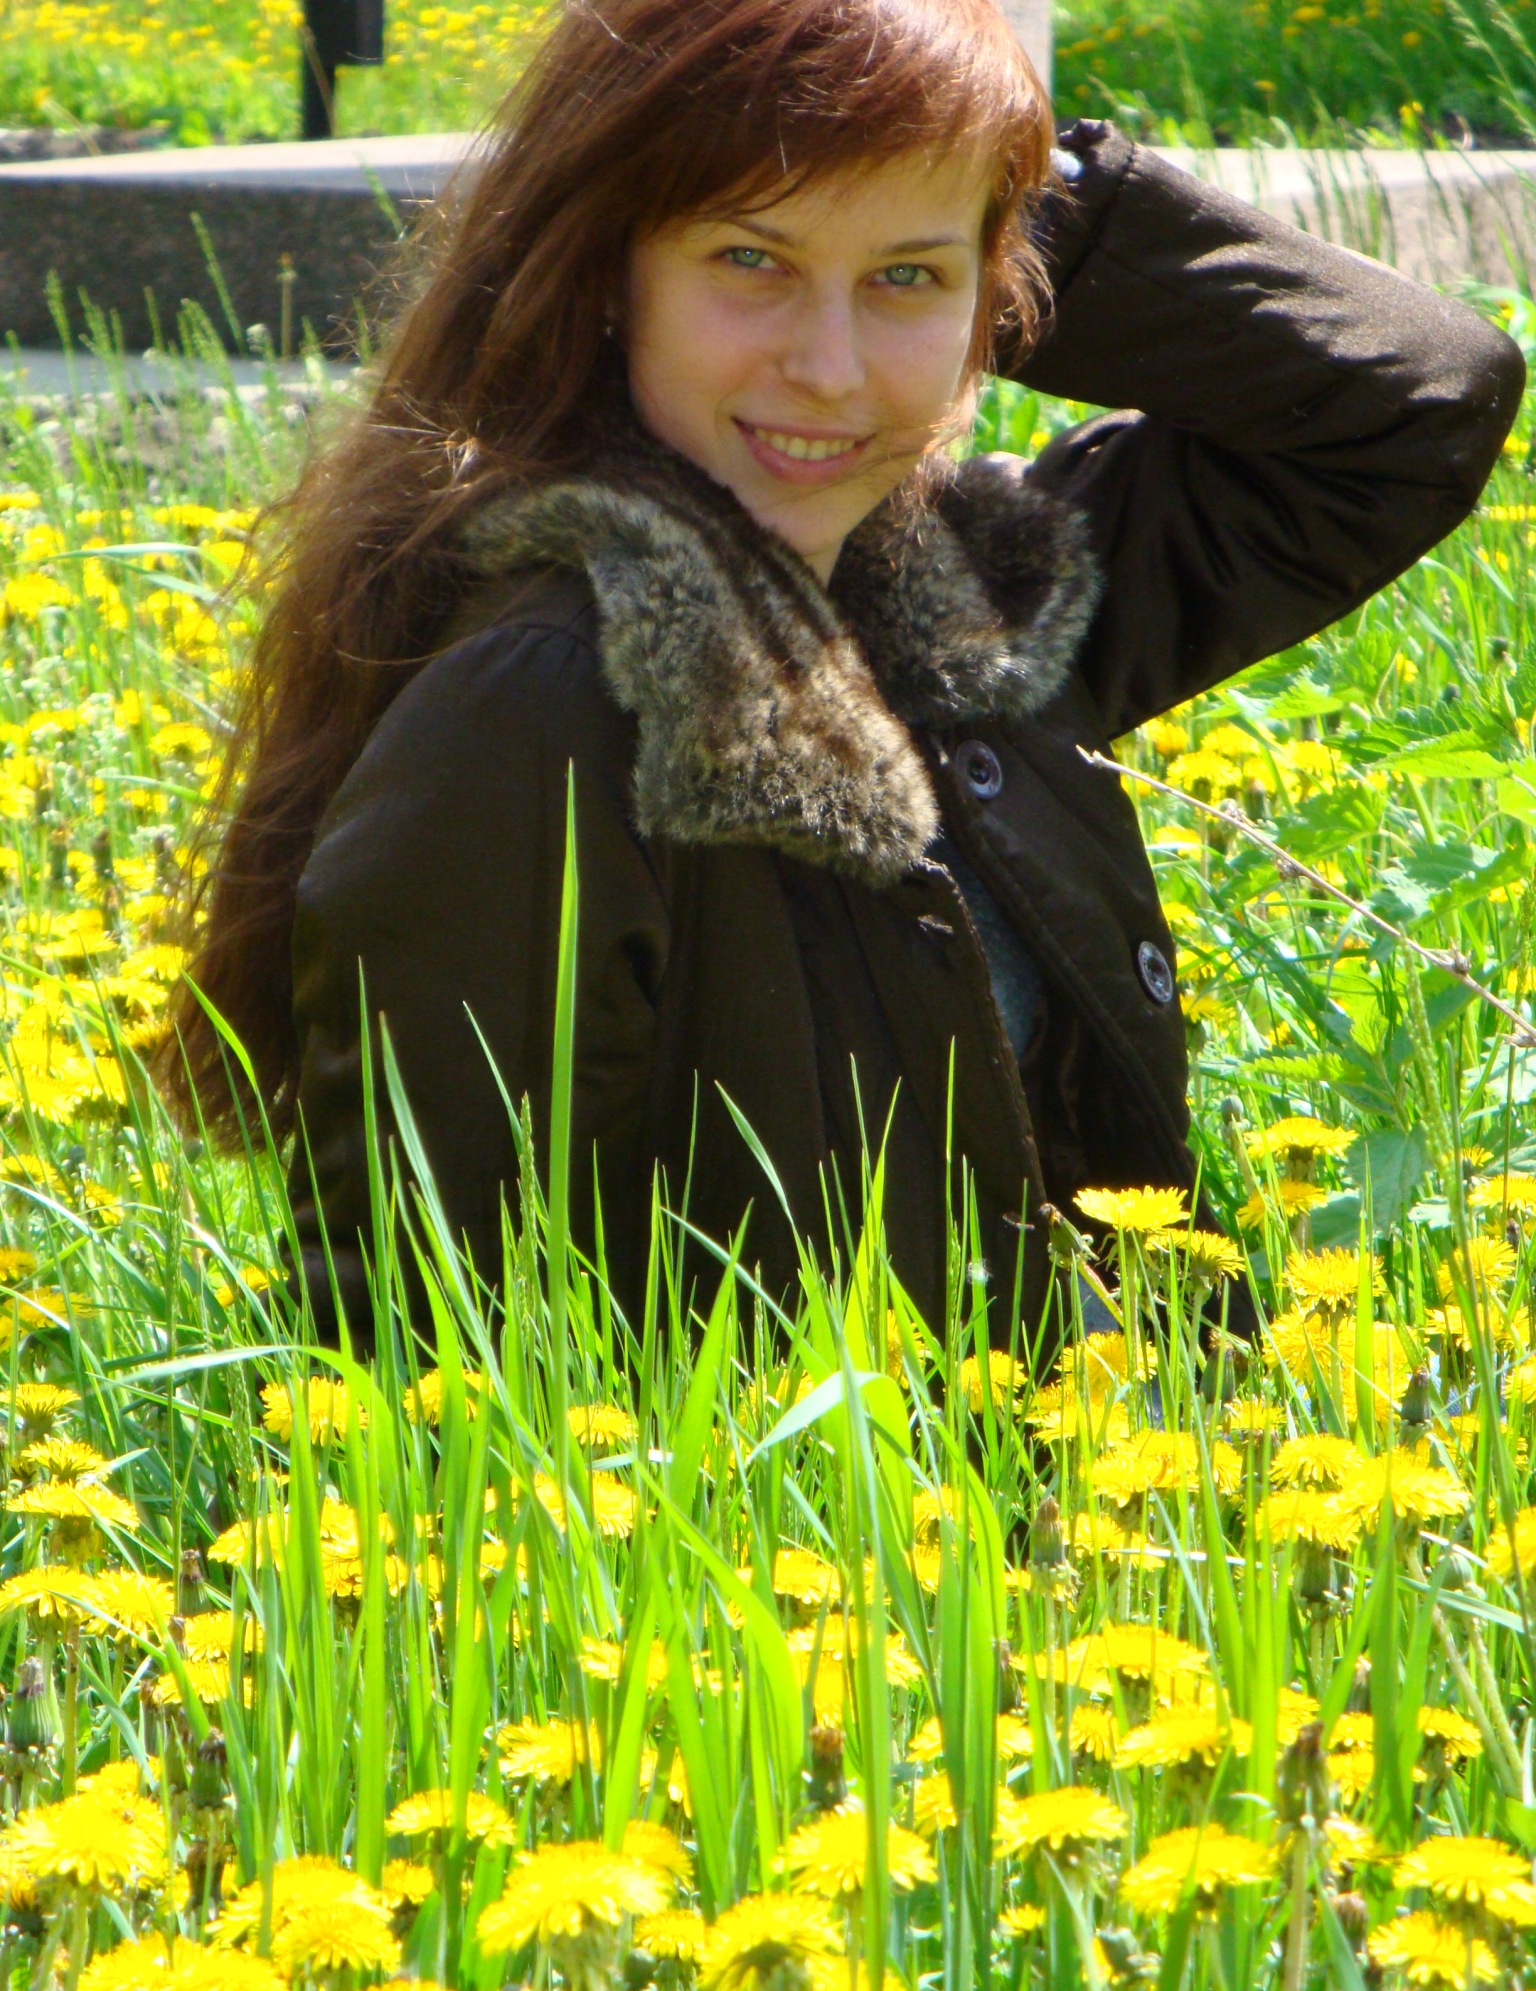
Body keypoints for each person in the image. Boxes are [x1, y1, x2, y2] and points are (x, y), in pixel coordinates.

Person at [167, 0, 1523, 1352]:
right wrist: (926, 183)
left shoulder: (966, 595)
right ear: (605, 275)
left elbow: (1417, 401)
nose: (829, 370)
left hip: (1121, 1473)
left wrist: (997, 167)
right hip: (810, 1496)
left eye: (906, 280)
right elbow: (420, 1345)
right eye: (750, 259)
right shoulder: (546, 700)